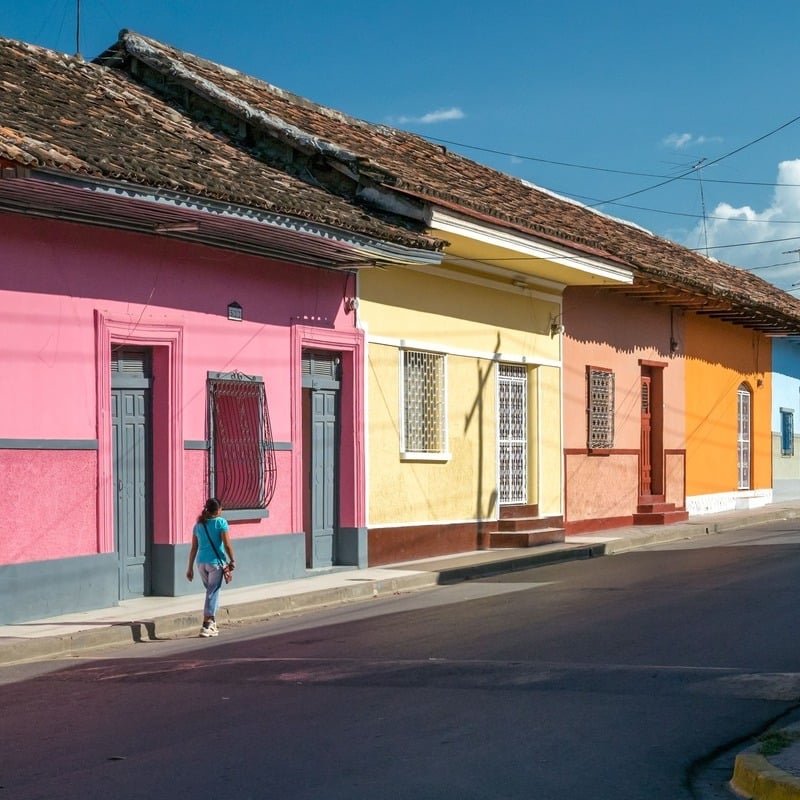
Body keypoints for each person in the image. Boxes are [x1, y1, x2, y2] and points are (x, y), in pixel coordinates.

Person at [186, 497, 235, 638]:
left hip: (201, 563)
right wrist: (233, 559)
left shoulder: (198, 525)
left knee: (210, 592)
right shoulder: (221, 522)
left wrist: (189, 568)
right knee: (212, 592)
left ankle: (212, 622)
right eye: (221, 508)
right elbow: (227, 545)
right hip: (215, 563)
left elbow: (194, 548)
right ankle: (206, 624)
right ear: (218, 510)